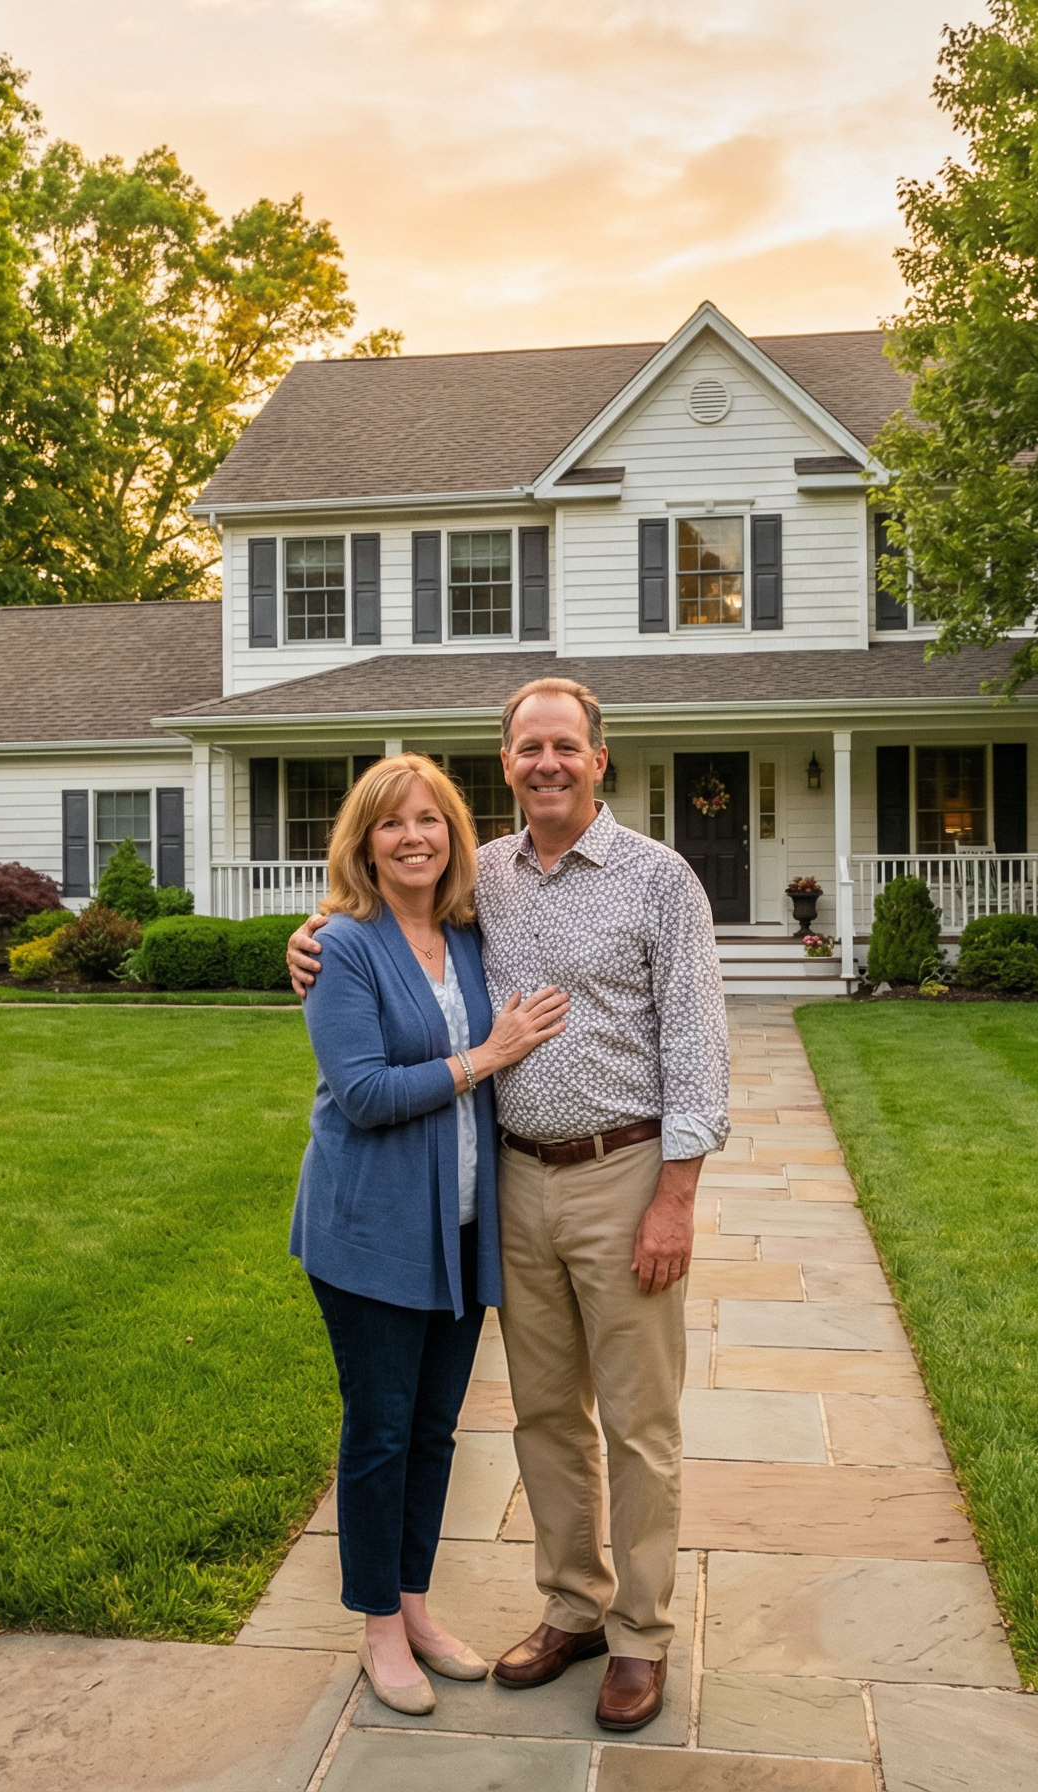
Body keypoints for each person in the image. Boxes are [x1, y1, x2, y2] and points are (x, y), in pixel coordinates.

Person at [289, 680, 729, 1733]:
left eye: (564, 746)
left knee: (639, 1422)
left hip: (624, 1176)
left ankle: (639, 1635)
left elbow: (699, 1053)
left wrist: (675, 1196)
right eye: (528, 747)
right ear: (505, 761)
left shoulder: (660, 881)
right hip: (512, 1184)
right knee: (542, 1417)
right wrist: (303, 941)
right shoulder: (479, 873)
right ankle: (573, 1606)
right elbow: (375, 917)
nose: (546, 763)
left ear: (599, 757)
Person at [292, 753, 571, 1715]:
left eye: (431, 820)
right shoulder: (341, 946)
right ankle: (375, 1628)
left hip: (457, 1232)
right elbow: (363, 1094)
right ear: (362, 844)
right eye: (391, 823)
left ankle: (413, 1607)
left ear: (455, 834)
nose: (414, 837)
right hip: (369, 1232)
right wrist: (484, 1058)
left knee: (434, 1431)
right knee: (378, 1433)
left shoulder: (467, 934)